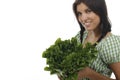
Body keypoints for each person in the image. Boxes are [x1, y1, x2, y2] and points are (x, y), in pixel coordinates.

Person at [58, 0, 120, 80]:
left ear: (100, 11)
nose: (83, 18)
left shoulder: (110, 43)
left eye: (88, 11)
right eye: (79, 13)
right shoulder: (81, 36)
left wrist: (89, 74)